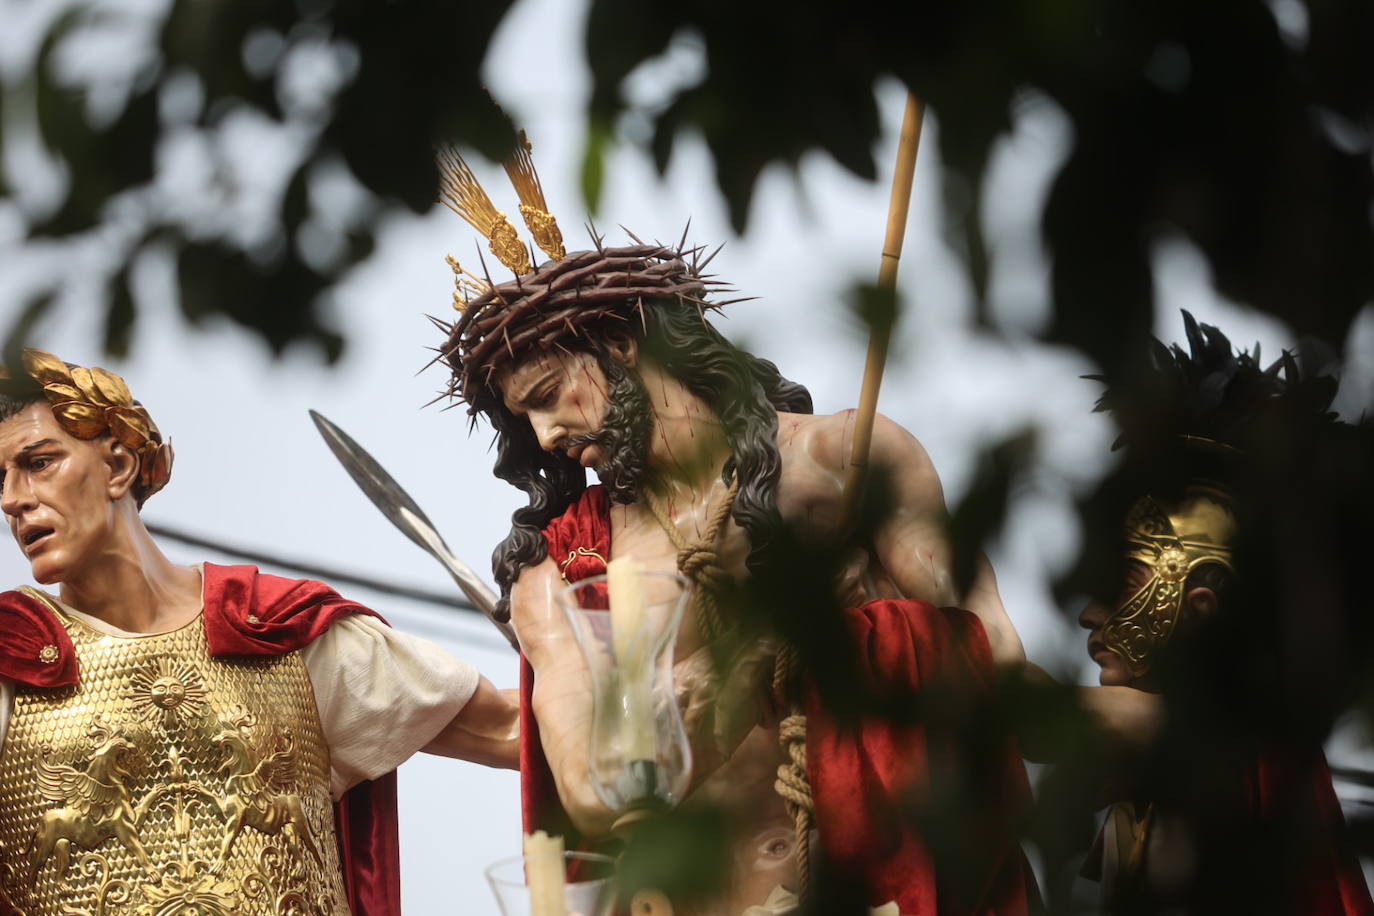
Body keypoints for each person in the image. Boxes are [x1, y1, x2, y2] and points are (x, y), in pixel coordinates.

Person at [432, 140, 1033, 914]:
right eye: (526, 418)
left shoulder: (837, 462)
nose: (545, 436)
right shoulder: (560, 569)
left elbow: (1002, 668)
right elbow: (589, 789)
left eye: (550, 392)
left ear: (621, 345)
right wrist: (745, 666)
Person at [0, 350, 518, 916]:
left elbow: (516, 730)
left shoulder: (275, 628)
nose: (12, 499)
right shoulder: (12, 659)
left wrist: (596, 621)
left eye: (39, 462)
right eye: (0, 479)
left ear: (118, 467)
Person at [1072, 315, 1373, 914]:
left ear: (1202, 611)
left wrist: (945, 629)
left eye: (1123, 582)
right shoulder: (1135, 792)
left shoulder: (1225, 747)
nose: (1087, 614)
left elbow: (1036, 712)